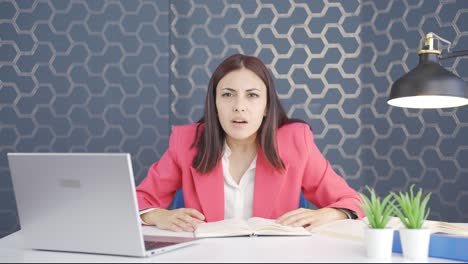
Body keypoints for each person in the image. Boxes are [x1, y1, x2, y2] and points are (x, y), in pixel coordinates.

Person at [136, 53, 363, 232]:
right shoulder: (186, 142)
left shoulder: (296, 141)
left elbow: (353, 201)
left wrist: (323, 214)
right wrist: (159, 215)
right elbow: (138, 200)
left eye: (252, 95)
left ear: (266, 106)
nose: (239, 106)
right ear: (214, 103)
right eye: (227, 94)